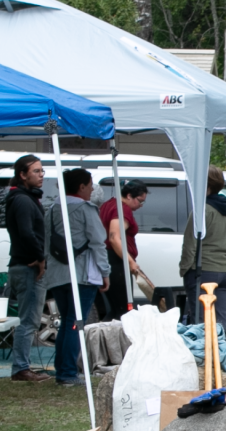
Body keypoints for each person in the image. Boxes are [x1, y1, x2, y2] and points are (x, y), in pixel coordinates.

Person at [43, 166, 110, 388]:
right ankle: (68, 374)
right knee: (75, 323)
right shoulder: (86, 209)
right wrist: (105, 272)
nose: (92, 190)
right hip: (82, 274)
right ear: (81, 187)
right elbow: (98, 243)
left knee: (66, 323)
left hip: (57, 274)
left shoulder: (52, 209)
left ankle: (63, 370)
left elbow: (46, 244)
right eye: (90, 185)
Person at [179, 167, 226, 329]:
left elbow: (190, 244)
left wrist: (185, 269)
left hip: (204, 270)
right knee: (222, 320)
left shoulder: (202, 212)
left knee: (202, 321)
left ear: (204, 186)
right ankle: (223, 352)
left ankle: (205, 354)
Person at [4, 155, 49, 384]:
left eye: (42, 171)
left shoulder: (26, 198)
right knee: (28, 320)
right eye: (36, 171)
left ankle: (22, 366)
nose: (41, 175)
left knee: (28, 319)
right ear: (23, 174)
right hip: (27, 265)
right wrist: (40, 257)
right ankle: (21, 368)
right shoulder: (21, 200)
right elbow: (26, 232)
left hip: (23, 264)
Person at [98, 180, 156, 317]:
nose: (141, 205)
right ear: (129, 196)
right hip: (116, 261)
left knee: (114, 307)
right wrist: (130, 262)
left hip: (108, 258)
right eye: (140, 201)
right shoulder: (122, 209)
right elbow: (114, 237)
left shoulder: (109, 204)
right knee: (123, 310)